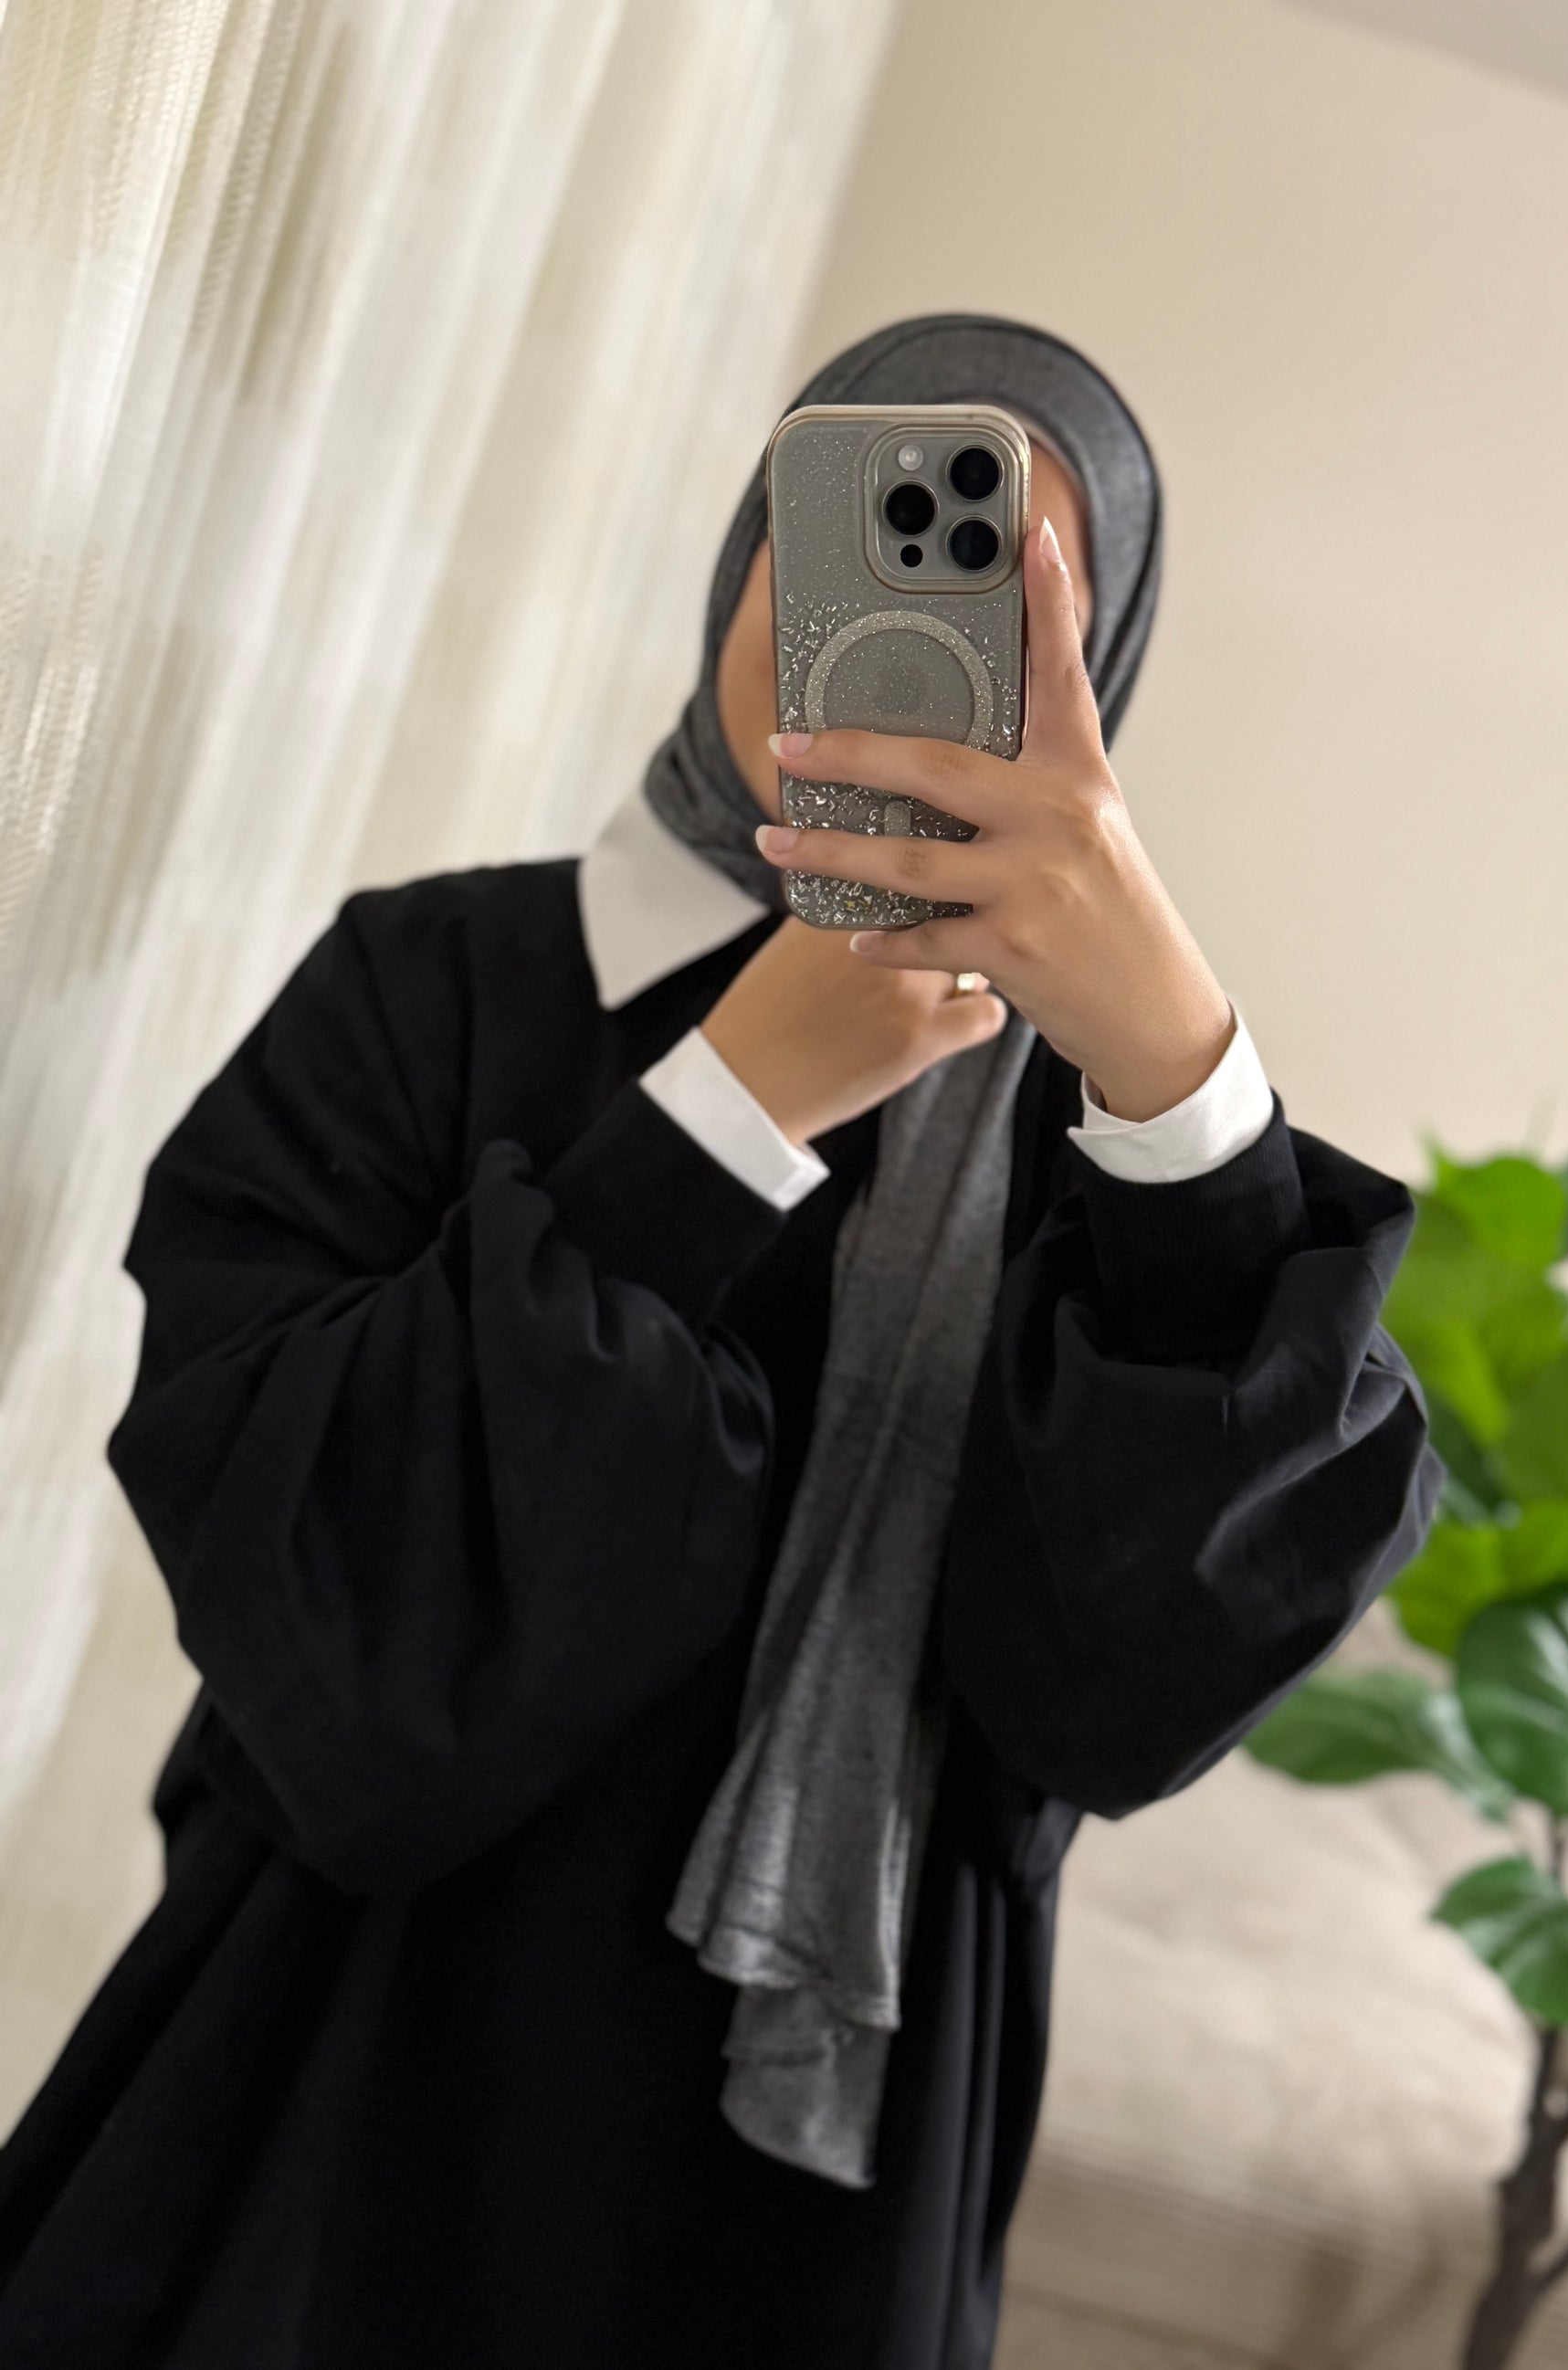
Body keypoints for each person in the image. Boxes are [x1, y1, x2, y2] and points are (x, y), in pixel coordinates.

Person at [0, 316, 1436, 2369]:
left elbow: (1130, 1688)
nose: (906, 625)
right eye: (852, 532)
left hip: (798, 2229)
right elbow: (327, 1624)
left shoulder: (1116, 1142)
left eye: (1004, 582)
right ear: (749, 557)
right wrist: (721, 1113)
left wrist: (1188, 1096)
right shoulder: (433, 985)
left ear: (1093, 674)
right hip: (325, 2094)